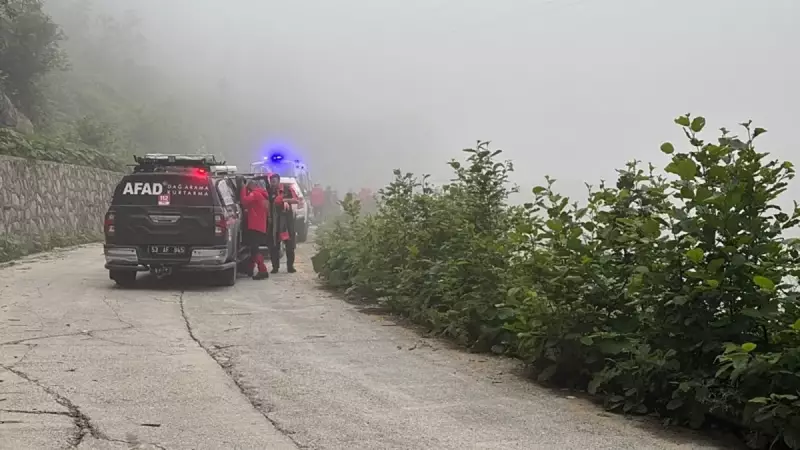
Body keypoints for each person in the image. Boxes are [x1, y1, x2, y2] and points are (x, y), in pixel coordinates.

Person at [266, 173, 298, 273]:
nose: (273, 184)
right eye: (271, 182)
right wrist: (269, 217)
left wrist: (284, 200)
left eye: (274, 182)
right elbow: (266, 204)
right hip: (274, 222)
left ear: (278, 181)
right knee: (273, 245)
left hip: (287, 222)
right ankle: (275, 267)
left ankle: (290, 266)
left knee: (289, 244)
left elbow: (296, 200)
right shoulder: (268, 191)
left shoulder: (287, 189)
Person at [239, 179, 270, 280]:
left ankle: (263, 270)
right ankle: (250, 269)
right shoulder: (263, 194)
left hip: (255, 226)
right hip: (260, 226)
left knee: (255, 250)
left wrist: (243, 188)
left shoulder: (255, 194)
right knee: (253, 249)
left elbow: (244, 201)